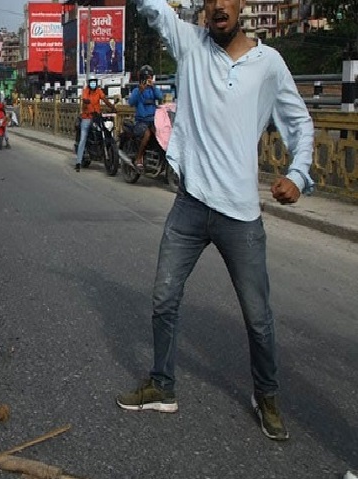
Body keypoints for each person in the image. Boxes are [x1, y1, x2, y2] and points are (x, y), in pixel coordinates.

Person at [115, 0, 314, 442]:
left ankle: (266, 396)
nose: (218, 7)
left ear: (241, 5)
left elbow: (300, 122)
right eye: (210, 1)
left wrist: (298, 174)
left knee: (258, 317)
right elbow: (156, 11)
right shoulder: (191, 45)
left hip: (240, 215)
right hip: (189, 204)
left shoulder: (269, 64)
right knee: (164, 297)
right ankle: (162, 386)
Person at [75, 75, 116, 172]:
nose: (93, 83)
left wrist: (113, 107)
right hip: (86, 117)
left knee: (105, 131)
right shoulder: (85, 91)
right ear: (89, 83)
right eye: (91, 82)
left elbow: (105, 100)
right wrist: (85, 102)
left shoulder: (98, 91)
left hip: (97, 117)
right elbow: (84, 103)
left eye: (94, 82)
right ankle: (78, 162)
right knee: (83, 138)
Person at [128, 65, 164, 170]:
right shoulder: (137, 90)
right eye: (146, 77)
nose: (148, 79)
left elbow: (160, 97)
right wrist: (140, 91)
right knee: (147, 134)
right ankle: (139, 158)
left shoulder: (152, 90)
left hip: (153, 119)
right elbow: (131, 102)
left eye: (150, 77)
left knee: (161, 133)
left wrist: (153, 86)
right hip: (141, 121)